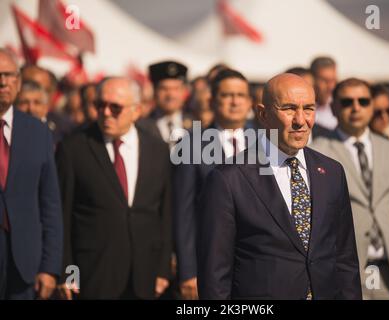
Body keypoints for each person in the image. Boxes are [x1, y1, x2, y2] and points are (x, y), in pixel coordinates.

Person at [197, 73, 361, 299]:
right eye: (289, 109)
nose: (301, 120)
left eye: (309, 109)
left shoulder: (331, 172)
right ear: (263, 114)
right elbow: (215, 274)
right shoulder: (229, 179)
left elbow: (345, 258)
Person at [56, 77, 172, 299]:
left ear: (136, 111)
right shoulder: (74, 148)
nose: (106, 112)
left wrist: (162, 270)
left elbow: (165, 215)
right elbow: (63, 216)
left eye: (115, 107)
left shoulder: (157, 150)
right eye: (100, 105)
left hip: (144, 277)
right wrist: (68, 275)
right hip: (93, 276)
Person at [312, 78, 389, 300]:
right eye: (347, 102)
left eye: (363, 101)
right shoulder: (317, 152)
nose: (356, 107)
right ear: (333, 107)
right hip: (343, 271)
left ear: (372, 105)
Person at [174, 69, 253, 300]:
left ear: (249, 101)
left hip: (255, 265)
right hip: (208, 264)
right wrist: (188, 272)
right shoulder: (189, 144)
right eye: (227, 95)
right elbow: (183, 213)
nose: (235, 101)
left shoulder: (266, 143)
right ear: (212, 100)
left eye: (240, 95)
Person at [0, 48, 63, 299]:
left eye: (8, 75)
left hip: (25, 265)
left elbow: (50, 204)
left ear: (18, 81)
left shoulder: (38, 132)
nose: (2, 82)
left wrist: (50, 267)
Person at [148, 61, 193, 147]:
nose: (170, 95)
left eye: (176, 89)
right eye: (164, 89)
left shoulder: (197, 125)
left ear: (184, 91)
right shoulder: (141, 127)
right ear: (154, 91)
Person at [310, 56, 338, 130]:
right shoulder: (299, 108)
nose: (331, 86)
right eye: (325, 81)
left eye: (333, 80)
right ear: (312, 79)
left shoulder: (341, 105)